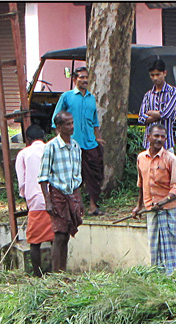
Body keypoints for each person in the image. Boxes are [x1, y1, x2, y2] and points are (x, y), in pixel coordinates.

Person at [138, 58, 176, 222]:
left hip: (167, 144)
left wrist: (153, 114)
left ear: (165, 73)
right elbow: (142, 118)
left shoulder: (172, 92)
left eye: (158, 74)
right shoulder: (148, 94)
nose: (155, 78)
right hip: (149, 147)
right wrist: (155, 115)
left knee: (175, 181)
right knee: (149, 180)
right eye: (152, 75)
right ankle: (150, 208)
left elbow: (167, 113)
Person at [131, 123, 176, 274]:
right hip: (151, 209)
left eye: (162, 136)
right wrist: (139, 206)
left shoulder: (170, 159)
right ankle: (157, 275)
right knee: (154, 244)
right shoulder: (141, 158)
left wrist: (164, 201)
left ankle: (172, 276)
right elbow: (141, 184)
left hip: (169, 210)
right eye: (156, 136)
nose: (159, 139)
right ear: (148, 137)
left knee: (171, 245)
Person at [52, 66, 105, 216]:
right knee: (74, 175)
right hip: (72, 144)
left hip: (90, 143)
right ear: (74, 80)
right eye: (81, 77)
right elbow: (56, 118)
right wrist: (61, 140)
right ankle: (77, 207)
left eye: (86, 77)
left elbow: (95, 121)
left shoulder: (91, 98)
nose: (84, 80)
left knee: (94, 176)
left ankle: (94, 206)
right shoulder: (67, 97)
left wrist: (98, 137)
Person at [38, 111, 83, 273]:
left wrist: (79, 200)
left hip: (72, 195)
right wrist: (48, 200)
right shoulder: (51, 147)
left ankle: (62, 271)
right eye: (67, 124)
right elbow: (43, 176)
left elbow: (77, 176)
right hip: (57, 194)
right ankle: (56, 273)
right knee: (59, 234)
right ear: (58, 127)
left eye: (72, 123)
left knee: (67, 234)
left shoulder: (76, 146)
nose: (71, 127)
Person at [14, 124, 53, 276]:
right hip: (54, 197)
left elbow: (22, 181)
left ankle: (37, 274)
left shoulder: (24, 154)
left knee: (34, 241)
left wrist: (26, 197)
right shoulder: (51, 149)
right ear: (44, 137)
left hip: (35, 200)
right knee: (56, 238)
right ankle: (56, 270)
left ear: (27, 139)